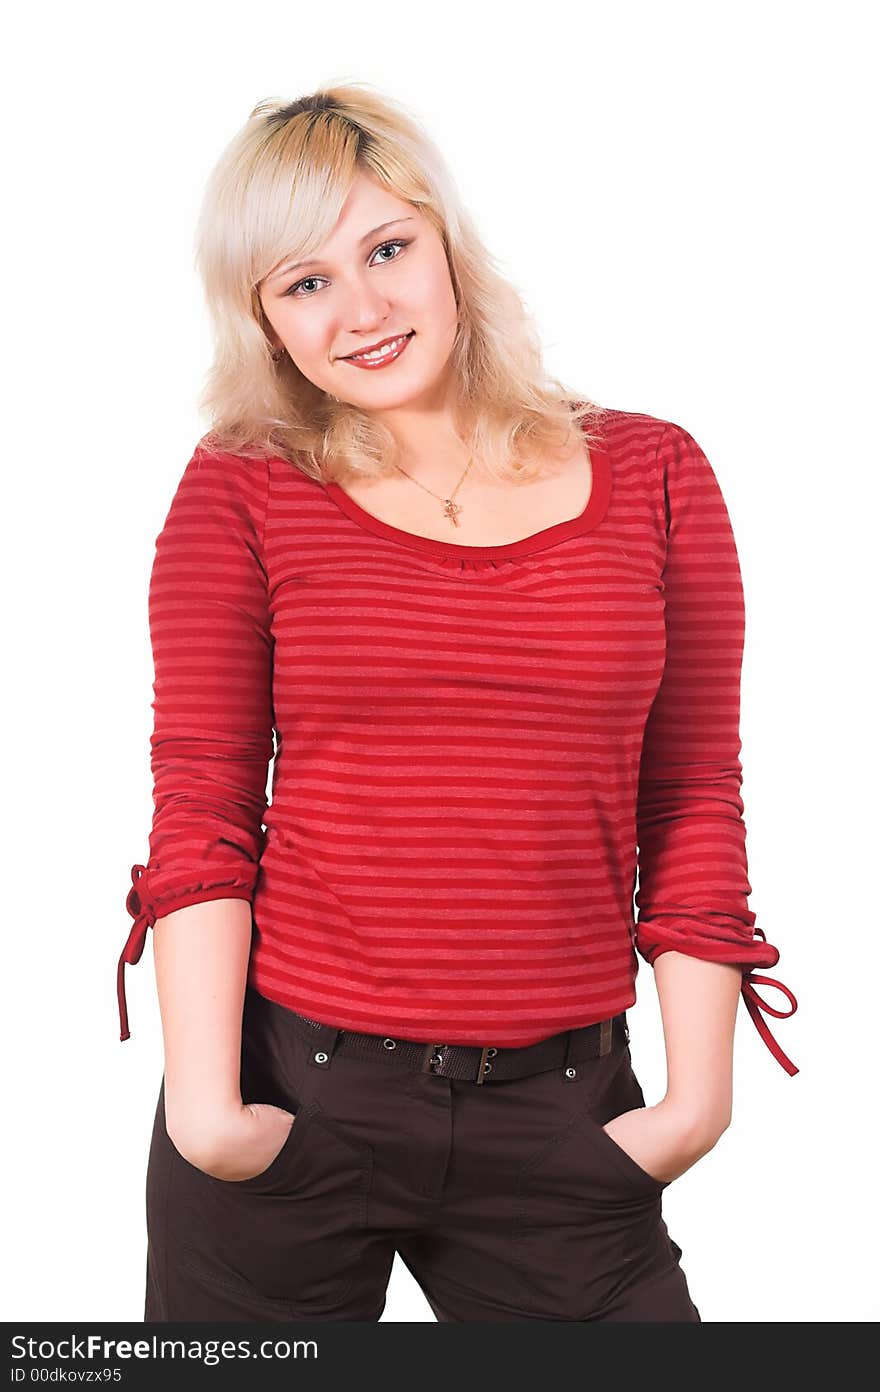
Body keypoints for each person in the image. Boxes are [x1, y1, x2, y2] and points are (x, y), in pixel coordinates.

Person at [117, 84, 798, 1324]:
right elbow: (204, 796)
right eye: (303, 282)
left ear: (445, 245)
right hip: (294, 1102)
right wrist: (209, 1111)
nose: (363, 310)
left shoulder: (652, 471)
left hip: (563, 1117)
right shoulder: (244, 488)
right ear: (264, 321)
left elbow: (692, 788)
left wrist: (693, 1106)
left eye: (386, 250)